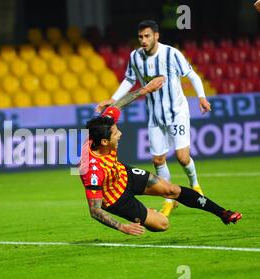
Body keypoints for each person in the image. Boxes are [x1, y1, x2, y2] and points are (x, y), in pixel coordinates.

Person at [81, 76, 241, 236]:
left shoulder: (103, 126)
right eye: (116, 133)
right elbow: (95, 210)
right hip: (117, 200)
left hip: (124, 174)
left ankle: (223, 213)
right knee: (163, 224)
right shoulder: (91, 169)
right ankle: (145, 215)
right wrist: (123, 227)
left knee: (171, 190)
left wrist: (145, 90)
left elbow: (118, 104)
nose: (120, 134)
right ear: (103, 141)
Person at [95, 20, 211, 217]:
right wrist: (113, 99)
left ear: (156, 36)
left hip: (177, 113)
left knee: (183, 158)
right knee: (158, 160)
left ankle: (195, 184)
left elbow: (192, 75)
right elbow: (130, 79)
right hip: (155, 116)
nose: (143, 40)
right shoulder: (135, 57)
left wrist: (201, 97)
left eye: (147, 36)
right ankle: (169, 200)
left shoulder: (171, 54)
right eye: (140, 37)